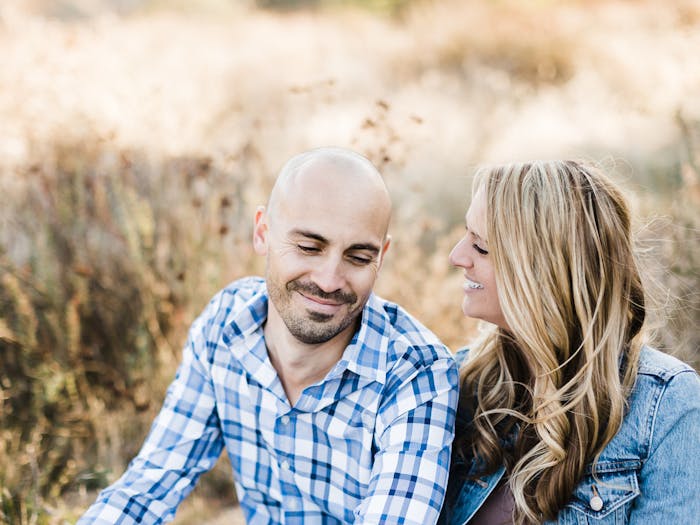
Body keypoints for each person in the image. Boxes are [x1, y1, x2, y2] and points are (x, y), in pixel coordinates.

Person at [79, 147, 458, 524]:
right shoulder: (225, 326)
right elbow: (147, 487)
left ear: (381, 257)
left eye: (358, 258)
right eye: (309, 247)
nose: (328, 280)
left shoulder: (418, 372)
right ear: (263, 233)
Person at [439, 160, 700, 525]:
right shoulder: (456, 386)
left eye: (480, 247)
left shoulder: (667, 407)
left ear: (544, 271)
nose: (457, 257)